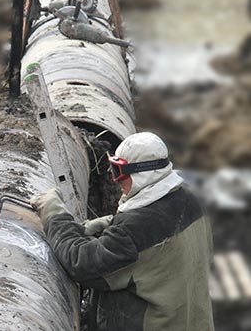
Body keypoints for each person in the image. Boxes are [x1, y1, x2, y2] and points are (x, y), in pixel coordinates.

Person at [31, 132, 214, 331]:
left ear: (142, 174)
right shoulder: (190, 195)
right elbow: (157, 223)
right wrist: (111, 223)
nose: (115, 180)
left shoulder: (135, 230)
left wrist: (54, 213)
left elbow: (81, 263)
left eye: (118, 172)